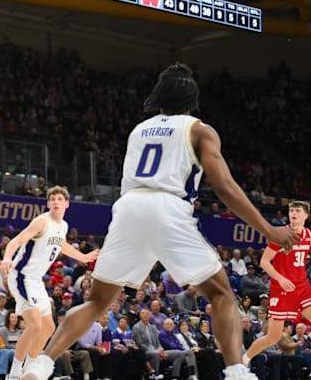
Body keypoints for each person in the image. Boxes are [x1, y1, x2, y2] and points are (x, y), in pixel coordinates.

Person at [22, 63, 298, 380]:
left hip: (127, 207)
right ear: (192, 100)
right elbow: (223, 186)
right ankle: (237, 373)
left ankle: (41, 365)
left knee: (97, 302)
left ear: (160, 98)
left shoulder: (138, 130)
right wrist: (268, 229)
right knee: (221, 295)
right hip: (168, 206)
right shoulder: (199, 130)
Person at [0, 186, 98, 379]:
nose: (55, 202)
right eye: (52, 199)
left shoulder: (63, 226)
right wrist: (7, 258)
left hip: (35, 281)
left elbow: (62, 245)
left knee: (49, 328)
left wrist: (83, 258)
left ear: (66, 204)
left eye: (59, 199)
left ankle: (30, 369)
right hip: (21, 276)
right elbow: (16, 240)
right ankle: (14, 374)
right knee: (35, 326)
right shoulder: (42, 221)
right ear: (47, 203)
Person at [243, 200, 311, 367]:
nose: (293, 214)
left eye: (297, 211)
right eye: (291, 211)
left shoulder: (308, 235)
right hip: (281, 288)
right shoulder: (281, 235)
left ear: (306, 215)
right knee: (273, 337)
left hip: (301, 286)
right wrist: (281, 278)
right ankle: (244, 360)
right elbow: (264, 262)